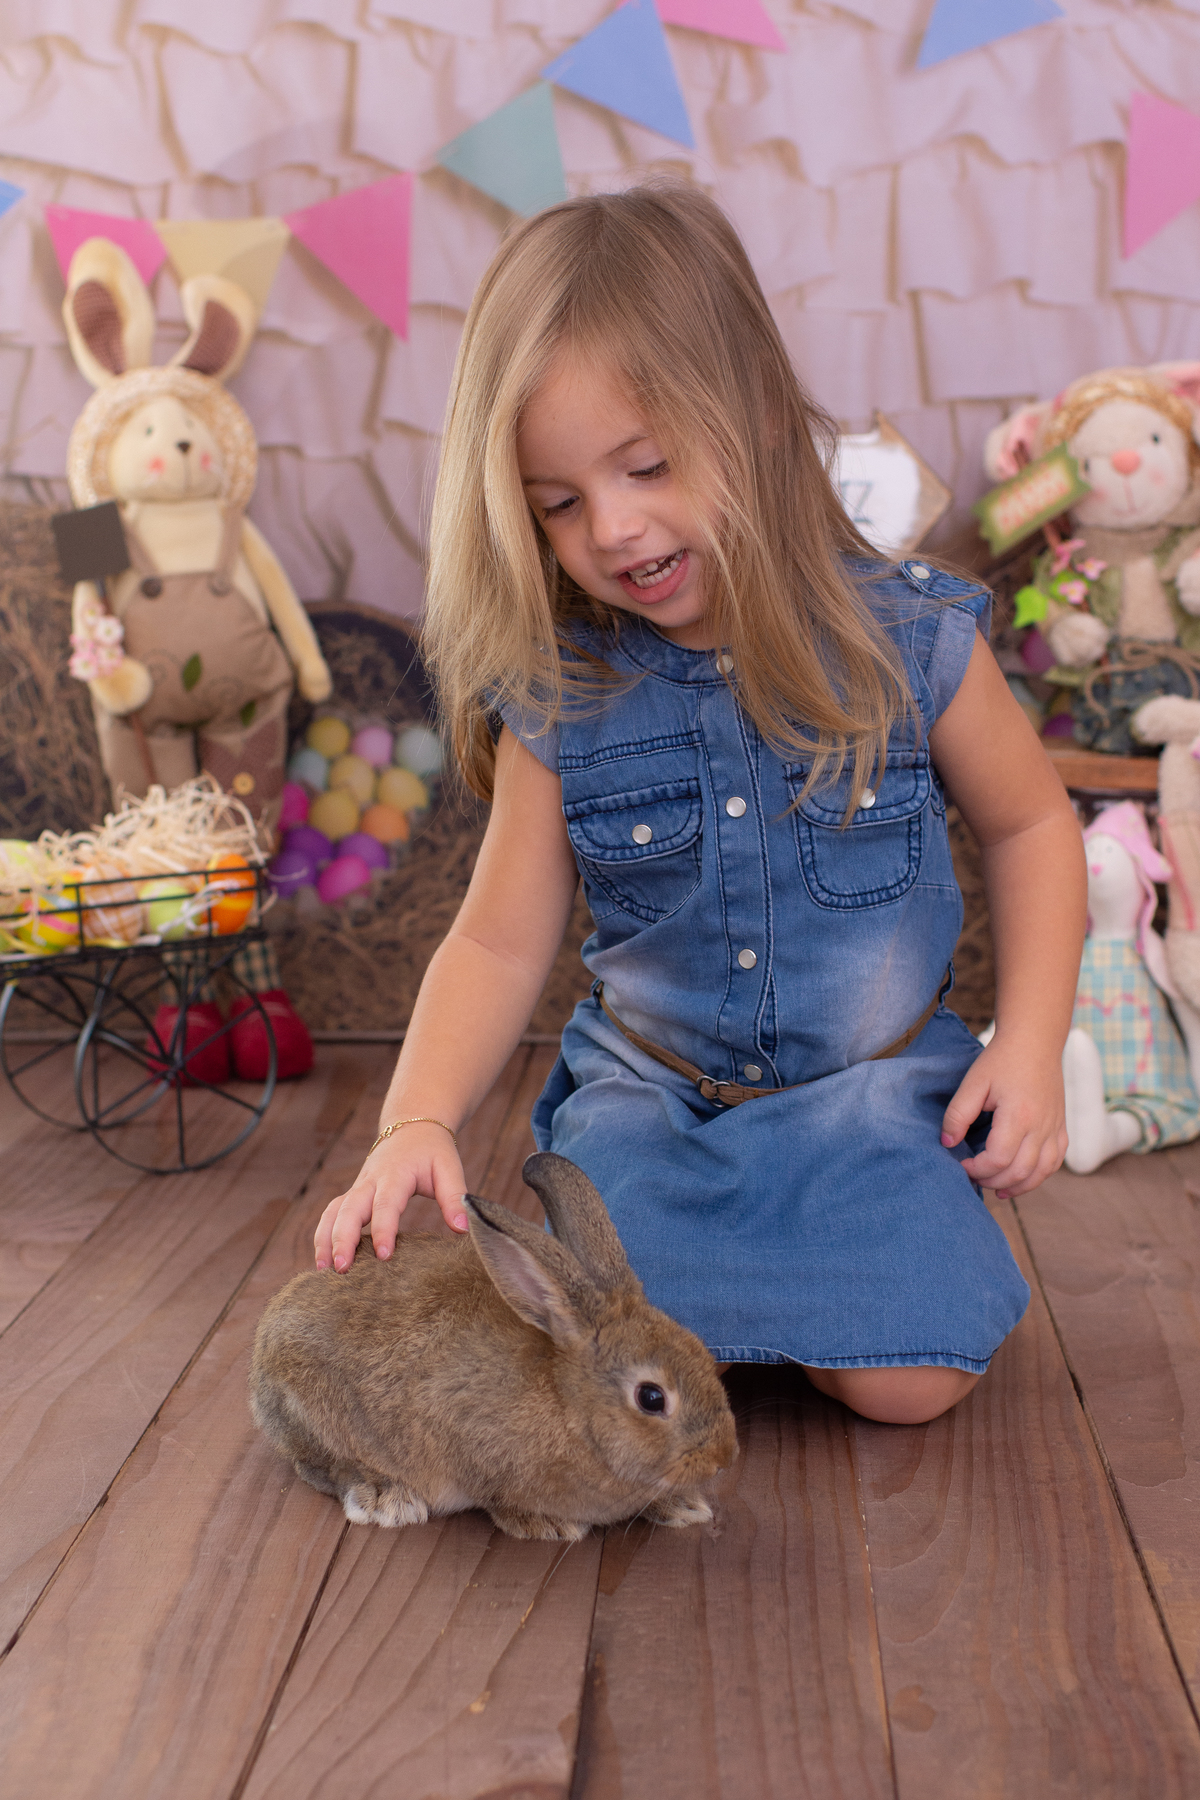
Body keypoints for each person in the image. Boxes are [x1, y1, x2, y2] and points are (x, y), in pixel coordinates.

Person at [315, 186, 1086, 1425]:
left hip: (870, 1101)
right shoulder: (562, 699)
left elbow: (1034, 825)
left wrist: (1035, 1047)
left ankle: (791, 1302)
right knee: (584, 1339)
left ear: (766, 421)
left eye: (648, 466)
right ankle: (709, 1314)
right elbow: (498, 938)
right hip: (658, 1104)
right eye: (558, 502)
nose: (613, 529)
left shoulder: (910, 639)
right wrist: (414, 1118)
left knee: (909, 1387)